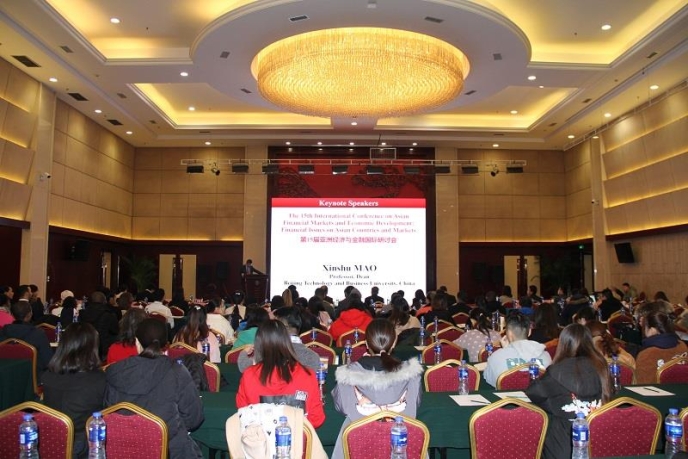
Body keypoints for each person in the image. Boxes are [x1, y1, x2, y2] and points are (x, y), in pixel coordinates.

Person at [105, 319, 204, 459]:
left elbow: (107, 412)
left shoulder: (115, 371)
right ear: (166, 344)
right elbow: (194, 418)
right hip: (169, 451)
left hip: (119, 450)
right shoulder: (177, 372)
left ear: (137, 342)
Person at [330, 319, 423, 459]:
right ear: (394, 342)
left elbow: (342, 407)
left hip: (359, 446)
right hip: (404, 446)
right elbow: (415, 404)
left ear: (366, 344)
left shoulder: (348, 374)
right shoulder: (411, 374)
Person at [526, 324, 611, 459]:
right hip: (602, 440)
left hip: (562, 445)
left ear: (563, 344)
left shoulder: (556, 371)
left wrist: (554, 404)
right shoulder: (602, 365)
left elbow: (534, 393)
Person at [236, 320, 325, 428]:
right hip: (298, 437)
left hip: (260, 437)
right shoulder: (308, 375)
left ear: (258, 345)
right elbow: (317, 419)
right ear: (287, 342)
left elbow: (243, 415)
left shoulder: (248, 375)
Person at [43, 322, 106, 459]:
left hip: (49, 440)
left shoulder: (47, 377)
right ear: (93, 347)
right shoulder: (99, 380)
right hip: (85, 446)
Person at [238, 306, 321, 372]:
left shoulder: (267, 352)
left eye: (273, 323)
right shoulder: (312, 357)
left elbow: (245, 368)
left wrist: (244, 352)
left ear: (281, 326)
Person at [484, 312, 552, 388]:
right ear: (529, 332)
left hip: (508, 396)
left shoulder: (496, 357)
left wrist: (505, 350)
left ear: (509, 333)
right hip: (537, 395)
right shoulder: (546, 356)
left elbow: (490, 382)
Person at [635, 308, 688, 384]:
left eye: (645, 327)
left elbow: (642, 385)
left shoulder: (647, 355)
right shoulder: (682, 345)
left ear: (652, 330)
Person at [0, 301, 52, 375]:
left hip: (5, 377)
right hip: (32, 377)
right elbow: (48, 361)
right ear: (30, 314)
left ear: (12, 315)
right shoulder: (38, 334)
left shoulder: (2, 332)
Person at [78, 291, 119, 360]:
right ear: (104, 301)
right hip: (103, 349)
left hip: (85, 348)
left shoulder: (82, 313)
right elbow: (116, 330)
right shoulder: (109, 314)